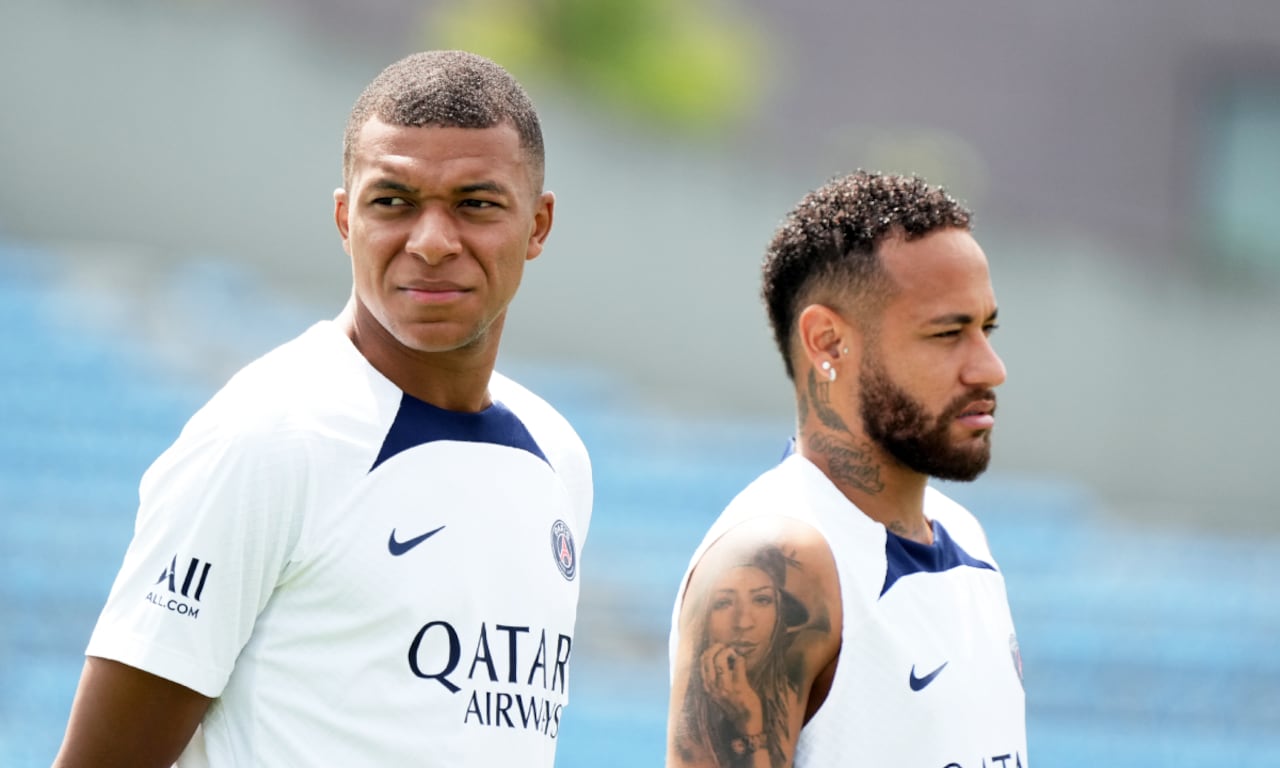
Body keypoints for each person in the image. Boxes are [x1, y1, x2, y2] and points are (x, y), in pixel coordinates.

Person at [53, 50, 592, 767]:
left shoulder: (559, 457)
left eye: (476, 203)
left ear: (538, 224)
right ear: (345, 218)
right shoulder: (267, 438)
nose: (431, 242)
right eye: (392, 201)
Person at [666, 171, 1025, 767]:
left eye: (985, 328)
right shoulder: (776, 560)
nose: (990, 368)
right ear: (828, 342)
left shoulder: (968, 539)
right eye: (947, 333)